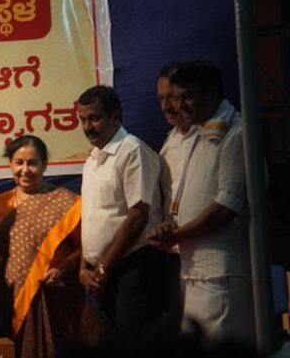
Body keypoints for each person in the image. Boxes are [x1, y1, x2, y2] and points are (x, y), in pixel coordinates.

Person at [147, 61, 255, 346]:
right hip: (192, 268)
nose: (179, 106)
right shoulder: (196, 134)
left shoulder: (235, 133)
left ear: (212, 93)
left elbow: (225, 208)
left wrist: (176, 235)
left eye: (187, 97)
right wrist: (169, 231)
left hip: (221, 270)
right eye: (174, 97)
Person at [77, 85, 164, 344]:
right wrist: (84, 269)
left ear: (116, 116)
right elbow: (91, 218)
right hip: (100, 275)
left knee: (132, 345)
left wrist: (103, 267)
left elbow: (138, 216)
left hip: (132, 269)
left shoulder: (132, 151)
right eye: (82, 120)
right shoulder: (92, 161)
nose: (87, 127)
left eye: (94, 118)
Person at [0, 136, 82, 358]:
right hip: (10, 297)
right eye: (19, 162)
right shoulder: (1, 203)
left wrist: (63, 268)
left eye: (33, 163)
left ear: (45, 164)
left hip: (55, 296)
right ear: (10, 164)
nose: (25, 170)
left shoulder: (67, 202)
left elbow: (83, 248)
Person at [156, 62, 195, 341]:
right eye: (161, 99)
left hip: (205, 252)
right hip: (172, 256)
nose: (167, 106)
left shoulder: (218, 135)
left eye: (172, 97)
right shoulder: (169, 143)